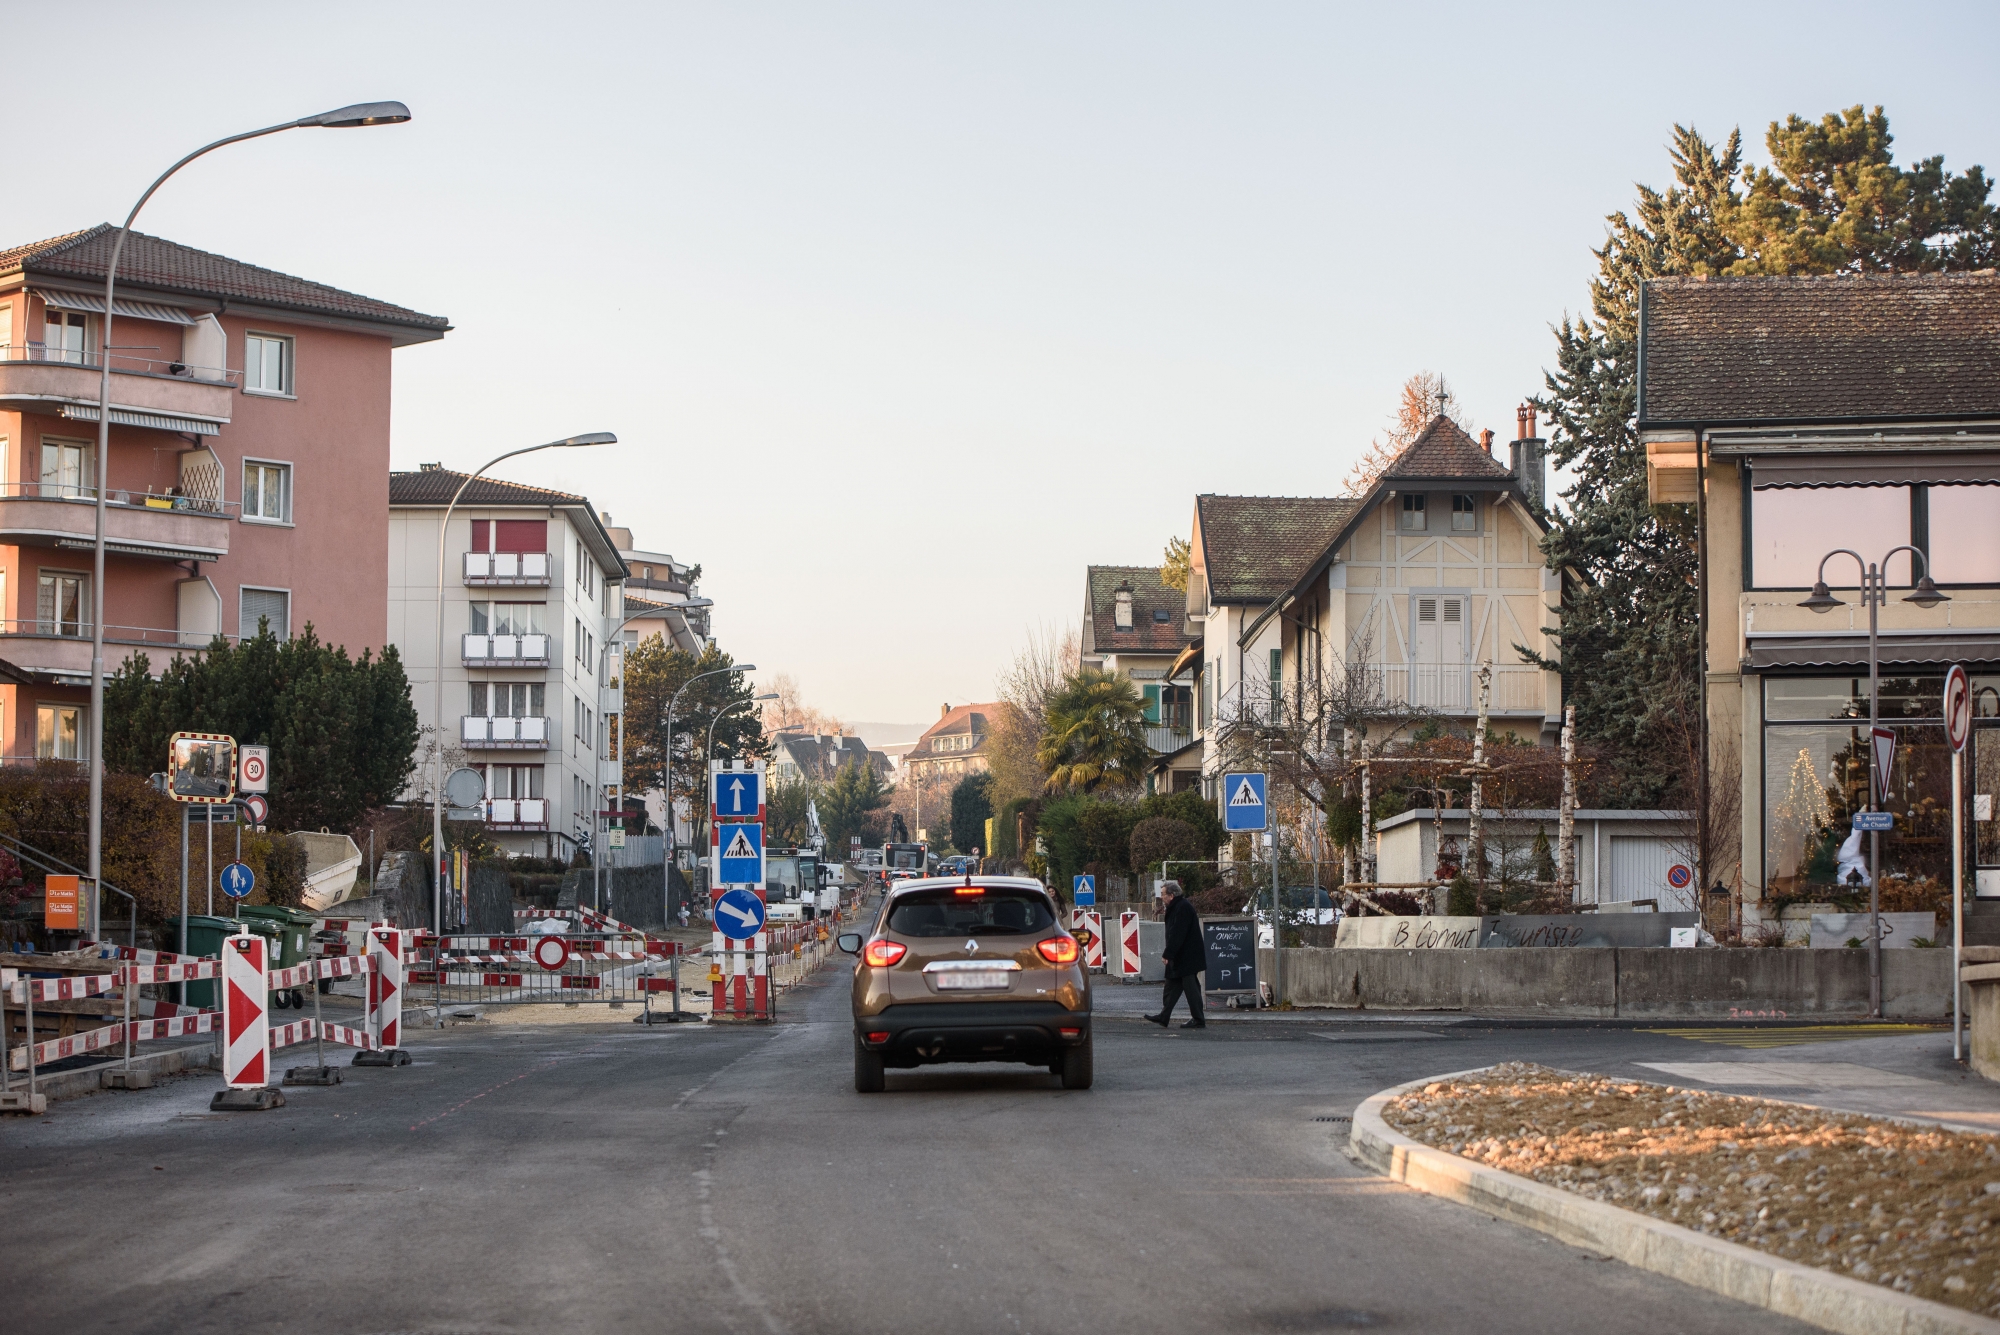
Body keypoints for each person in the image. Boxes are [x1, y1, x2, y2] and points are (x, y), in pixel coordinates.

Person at [1147, 881, 1206, 1029]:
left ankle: (1198, 1019)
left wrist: (1168, 953)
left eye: (1163, 895)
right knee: (1171, 986)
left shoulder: (1182, 908)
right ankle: (1164, 1016)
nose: (1162, 898)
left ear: (1171, 896)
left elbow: (1178, 933)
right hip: (1181, 956)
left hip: (1186, 956)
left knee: (1191, 988)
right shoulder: (1177, 907)